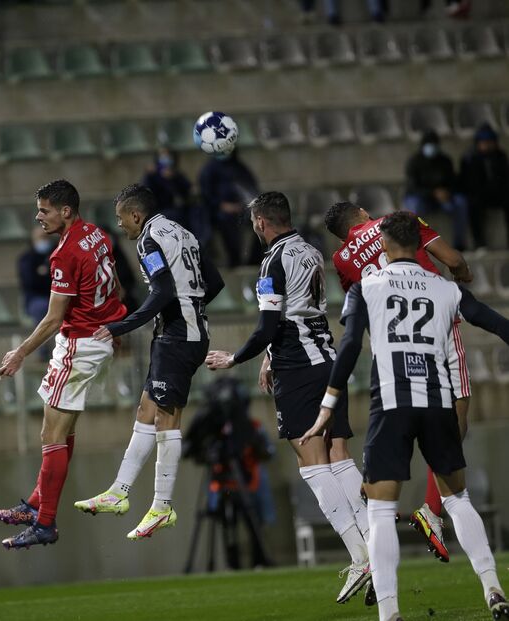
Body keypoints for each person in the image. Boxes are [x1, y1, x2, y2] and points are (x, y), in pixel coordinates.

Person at [301, 211, 509, 621]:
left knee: (379, 510)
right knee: (458, 498)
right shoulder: (446, 289)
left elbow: (347, 351)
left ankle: (390, 613)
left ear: (382, 244)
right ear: (420, 243)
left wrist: (328, 405)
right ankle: (493, 588)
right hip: (437, 402)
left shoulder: (365, 286)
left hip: (392, 405)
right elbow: (494, 321)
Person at [204, 191, 371, 605]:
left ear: (260, 222)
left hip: (299, 368)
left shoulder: (272, 261)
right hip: (327, 357)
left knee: (309, 459)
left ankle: (360, 555)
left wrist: (236, 358)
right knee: (338, 452)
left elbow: (267, 325)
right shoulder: (312, 251)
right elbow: (300, 312)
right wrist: (269, 358)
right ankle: (377, 548)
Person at [72, 183, 223, 540]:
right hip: (186, 333)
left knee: (166, 420)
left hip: (176, 338)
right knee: (146, 410)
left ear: (136, 215)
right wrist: (192, 309)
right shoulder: (181, 232)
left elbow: (163, 290)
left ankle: (162, 506)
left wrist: (121, 325)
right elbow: (213, 282)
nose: (121, 226)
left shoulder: (148, 240)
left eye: (122, 219)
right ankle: (119, 492)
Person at [325, 200, 473, 562]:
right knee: (455, 418)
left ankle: (373, 481)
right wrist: (462, 277)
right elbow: (452, 259)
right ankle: (432, 511)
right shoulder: (398, 224)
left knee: (394, 419)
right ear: (361, 212)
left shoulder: (342, 260)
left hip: (387, 347)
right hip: (433, 330)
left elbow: (358, 306)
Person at [0, 179, 127, 549]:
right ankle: (36, 504)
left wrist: (19, 352)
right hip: (98, 340)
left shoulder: (64, 253)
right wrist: (113, 323)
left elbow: (53, 319)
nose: (38, 217)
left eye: (44, 210)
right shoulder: (97, 235)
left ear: (65, 211)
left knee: (49, 436)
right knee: (63, 432)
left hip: (79, 345)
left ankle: (44, 522)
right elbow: (114, 285)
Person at [404, 130, 469, 251]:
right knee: (414, 206)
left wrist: (447, 192)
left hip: (443, 199)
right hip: (422, 199)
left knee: (461, 202)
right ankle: (414, 244)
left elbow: (453, 182)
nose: (431, 147)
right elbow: (412, 187)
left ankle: (459, 243)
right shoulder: (414, 162)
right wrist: (433, 193)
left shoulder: (445, 161)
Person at [197, 148, 261, 267]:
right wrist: (223, 206)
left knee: (262, 222)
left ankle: (254, 260)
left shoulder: (239, 167)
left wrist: (245, 205)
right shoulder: (209, 169)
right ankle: (234, 261)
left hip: (243, 209)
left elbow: (251, 189)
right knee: (227, 222)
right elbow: (206, 195)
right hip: (220, 212)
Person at [460, 123, 509, 250]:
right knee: (473, 205)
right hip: (478, 195)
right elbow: (468, 183)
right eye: (484, 142)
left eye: (490, 142)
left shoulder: (500, 157)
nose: (487, 145)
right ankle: (479, 243)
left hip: (497, 194)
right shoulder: (470, 158)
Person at [141, 147, 192, 229]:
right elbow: (146, 195)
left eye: (168, 155)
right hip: (159, 211)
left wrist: (173, 178)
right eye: (163, 155)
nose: (166, 158)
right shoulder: (151, 175)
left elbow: (187, 191)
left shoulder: (177, 174)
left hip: (178, 210)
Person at [18, 226, 55, 325]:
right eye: (40, 238)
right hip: (36, 298)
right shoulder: (27, 258)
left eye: (45, 237)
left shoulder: (56, 254)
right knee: (43, 307)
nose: (43, 240)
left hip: (58, 295)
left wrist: (44, 273)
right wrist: (48, 274)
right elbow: (30, 282)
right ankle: (45, 340)